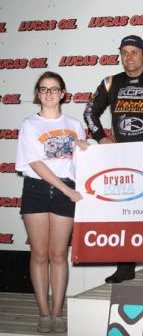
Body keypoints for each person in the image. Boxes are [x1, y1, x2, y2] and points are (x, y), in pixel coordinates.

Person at [84, 35, 143, 285]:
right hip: (120, 160)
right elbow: (89, 112)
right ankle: (124, 267)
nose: (129, 57)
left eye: (134, 52)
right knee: (123, 215)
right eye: (124, 52)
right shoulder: (110, 82)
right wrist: (101, 138)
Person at [16, 71, 87, 333]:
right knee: (40, 254)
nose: (48, 93)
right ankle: (43, 313)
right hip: (36, 189)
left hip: (66, 190)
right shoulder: (29, 124)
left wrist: (86, 148)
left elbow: (80, 163)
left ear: (62, 94)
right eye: (43, 89)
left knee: (58, 255)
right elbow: (35, 163)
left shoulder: (74, 124)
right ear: (37, 94)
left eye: (53, 89)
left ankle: (57, 313)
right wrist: (67, 192)